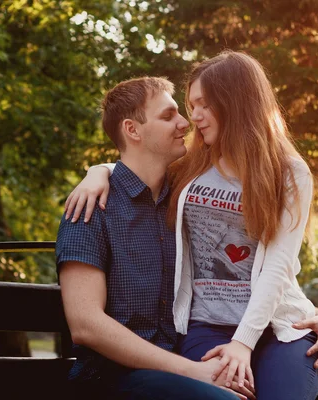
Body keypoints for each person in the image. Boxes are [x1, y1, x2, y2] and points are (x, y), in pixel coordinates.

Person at [64, 51, 318, 400]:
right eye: (176, 112)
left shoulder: (203, 189)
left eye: (198, 107)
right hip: (149, 359)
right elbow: (85, 325)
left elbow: (272, 266)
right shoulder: (108, 201)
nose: (188, 120)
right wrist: (98, 172)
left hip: (241, 337)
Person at [56, 76, 253, 400]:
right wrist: (193, 372)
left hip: (184, 368)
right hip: (112, 380)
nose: (184, 122)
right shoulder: (91, 209)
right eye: (168, 116)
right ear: (132, 130)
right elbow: (86, 324)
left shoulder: (186, 201)